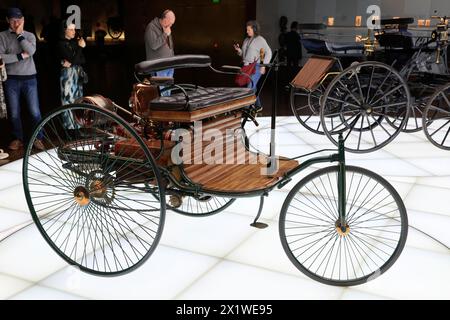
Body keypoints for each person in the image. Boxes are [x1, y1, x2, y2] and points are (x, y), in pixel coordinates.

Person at [0, 8, 44, 151]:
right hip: (11, 79)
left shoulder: (29, 36)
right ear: (8, 20)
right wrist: (19, 56)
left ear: (23, 20)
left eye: (19, 20)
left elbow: (31, 52)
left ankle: (38, 138)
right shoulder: (2, 36)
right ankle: (17, 138)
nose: (16, 23)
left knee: (34, 111)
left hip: (30, 78)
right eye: (13, 20)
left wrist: (20, 36)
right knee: (14, 112)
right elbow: (1, 57)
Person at [234, 20, 272, 108]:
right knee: (253, 87)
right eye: (246, 30)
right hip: (247, 66)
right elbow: (244, 55)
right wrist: (239, 50)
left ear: (254, 29)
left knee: (249, 87)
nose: (247, 32)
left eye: (249, 30)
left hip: (257, 67)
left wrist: (264, 65)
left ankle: (246, 109)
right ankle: (258, 106)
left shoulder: (260, 39)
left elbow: (269, 52)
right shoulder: (246, 40)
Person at [58, 22, 86, 130]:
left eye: (74, 29)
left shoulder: (74, 42)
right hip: (67, 76)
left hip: (76, 74)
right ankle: (69, 129)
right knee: (67, 100)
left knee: (79, 100)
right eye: (71, 29)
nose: (74, 32)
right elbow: (74, 59)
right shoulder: (60, 44)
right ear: (64, 30)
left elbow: (82, 60)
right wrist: (79, 48)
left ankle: (78, 127)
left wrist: (73, 60)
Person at [144, 9, 176, 96]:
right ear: (165, 20)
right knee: (161, 92)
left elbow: (170, 45)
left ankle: (167, 107)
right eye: (171, 23)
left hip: (169, 64)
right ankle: (163, 107)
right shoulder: (151, 27)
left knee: (168, 91)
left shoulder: (166, 28)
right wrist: (165, 34)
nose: (171, 25)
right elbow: (154, 45)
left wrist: (173, 60)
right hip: (159, 65)